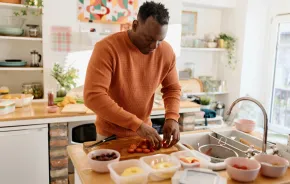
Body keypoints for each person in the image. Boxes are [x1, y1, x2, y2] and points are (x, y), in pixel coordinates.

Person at [84, 1, 181, 149]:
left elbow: (172, 88)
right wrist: (136, 125)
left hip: (145, 133)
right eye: (149, 39)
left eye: (160, 40)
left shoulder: (166, 52)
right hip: (110, 136)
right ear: (135, 25)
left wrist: (172, 117)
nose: (154, 47)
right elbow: (93, 96)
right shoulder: (106, 48)